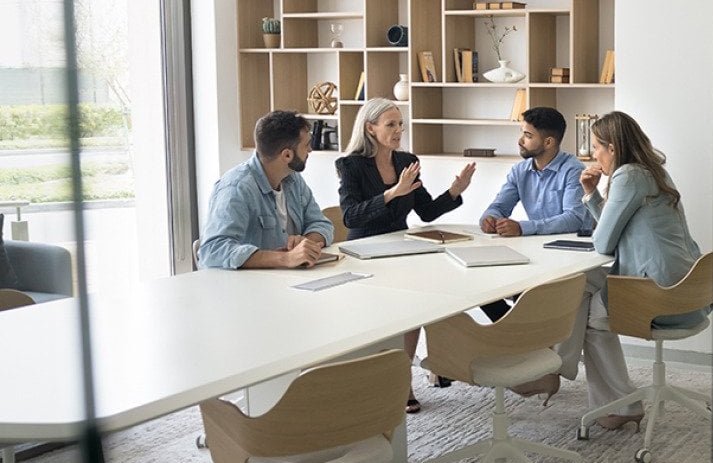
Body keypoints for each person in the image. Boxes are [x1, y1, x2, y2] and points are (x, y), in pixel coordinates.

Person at [521, 111, 710, 429]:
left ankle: (560, 376)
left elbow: (605, 242)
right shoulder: (653, 171)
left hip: (658, 292)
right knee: (577, 286)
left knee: (589, 311)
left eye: (596, 146)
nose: (593, 154)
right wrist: (593, 196)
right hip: (688, 288)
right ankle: (584, 388)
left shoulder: (628, 176)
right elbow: (616, 230)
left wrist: (592, 196)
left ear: (613, 147)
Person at [335, 98, 475, 413]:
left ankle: (404, 378)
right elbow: (351, 217)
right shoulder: (350, 165)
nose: (399, 130)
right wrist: (391, 194)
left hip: (402, 246)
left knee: (421, 299)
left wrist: (455, 190)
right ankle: (390, 377)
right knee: (392, 308)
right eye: (390, 124)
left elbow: (425, 210)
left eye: (400, 124)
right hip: (365, 250)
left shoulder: (407, 161)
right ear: (370, 128)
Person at [476, 107, 594, 323]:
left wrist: (522, 228)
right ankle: (517, 332)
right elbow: (500, 205)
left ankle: (530, 335)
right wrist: (489, 217)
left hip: (568, 257)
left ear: (548, 142)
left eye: (528, 136)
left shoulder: (573, 170)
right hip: (534, 254)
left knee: (531, 296)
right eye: (522, 133)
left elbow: (573, 218)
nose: (520, 140)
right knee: (481, 284)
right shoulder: (519, 171)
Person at [199, 110, 334, 270]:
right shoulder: (236, 189)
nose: (310, 150)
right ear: (287, 155)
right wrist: (285, 258)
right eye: (306, 145)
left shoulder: (293, 179)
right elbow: (213, 250)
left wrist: (306, 243)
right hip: (249, 289)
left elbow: (321, 223)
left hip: (290, 281)